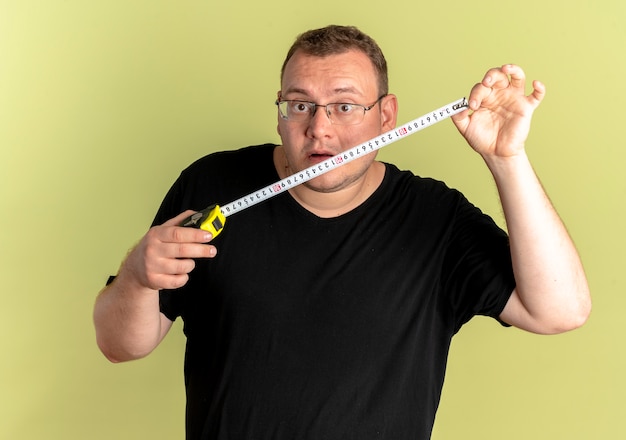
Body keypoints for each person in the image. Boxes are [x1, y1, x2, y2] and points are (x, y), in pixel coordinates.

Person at [94, 25, 591, 440]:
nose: (320, 129)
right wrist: (138, 275)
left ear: (387, 116)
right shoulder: (211, 186)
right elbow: (119, 345)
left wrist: (507, 160)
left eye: (345, 106)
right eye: (299, 104)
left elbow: (561, 310)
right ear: (280, 111)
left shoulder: (436, 219)